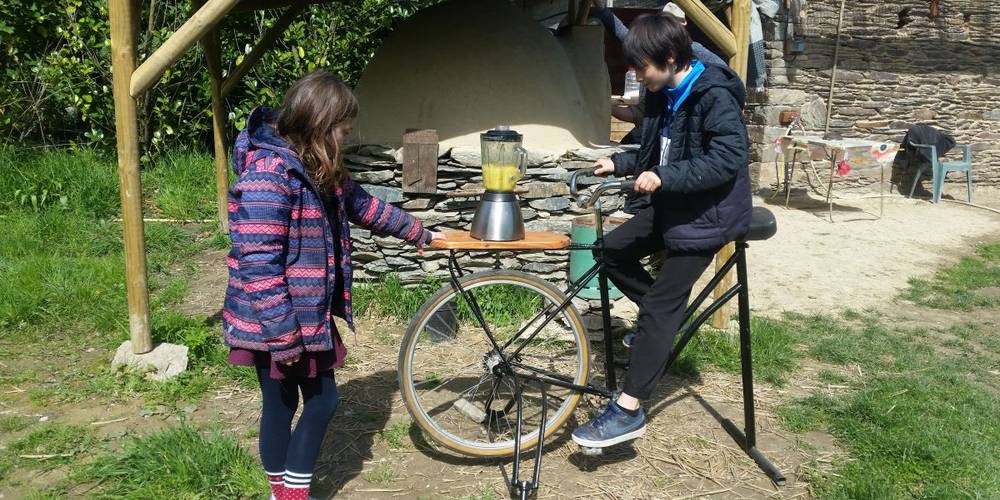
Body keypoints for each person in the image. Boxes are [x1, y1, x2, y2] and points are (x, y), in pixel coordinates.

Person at [223, 70, 445, 500]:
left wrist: (418, 232)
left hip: (308, 315)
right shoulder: (269, 175)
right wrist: (283, 335)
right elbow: (258, 264)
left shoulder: (319, 170)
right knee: (304, 402)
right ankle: (289, 494)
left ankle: (285, 493)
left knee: (300, 402)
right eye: (343, 130)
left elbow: (365, 206)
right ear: (321, 126)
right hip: (279, 323)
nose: (346, 138)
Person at [571, 14, 751, 449]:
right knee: (608, 251)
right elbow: (653, 152)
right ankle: (660, 323)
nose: (637, 76)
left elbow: (728, 159)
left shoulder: (714, 95)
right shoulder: (662, 93)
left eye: (642, 68)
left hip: (709, 215)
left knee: (658, 313)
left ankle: (628, 411)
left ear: (670, 58)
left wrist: (665, 176)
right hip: (673, 204)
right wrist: (622, 163)